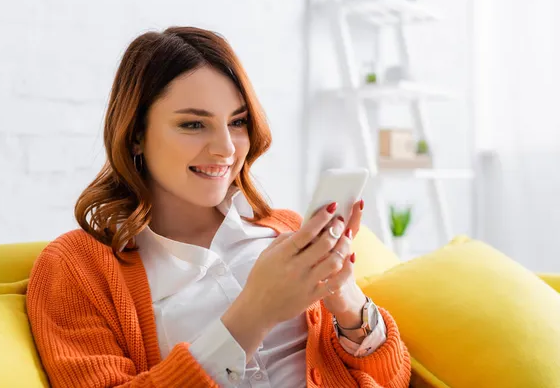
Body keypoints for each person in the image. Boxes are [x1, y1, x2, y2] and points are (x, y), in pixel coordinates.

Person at [26, 26, 411, 388]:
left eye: (238, 121)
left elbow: (393, 378)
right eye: (194, 125)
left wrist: (346, 302)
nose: (226, 148)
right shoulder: (75, 269)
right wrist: (254, 313)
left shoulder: (285, 231)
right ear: (136, 135)